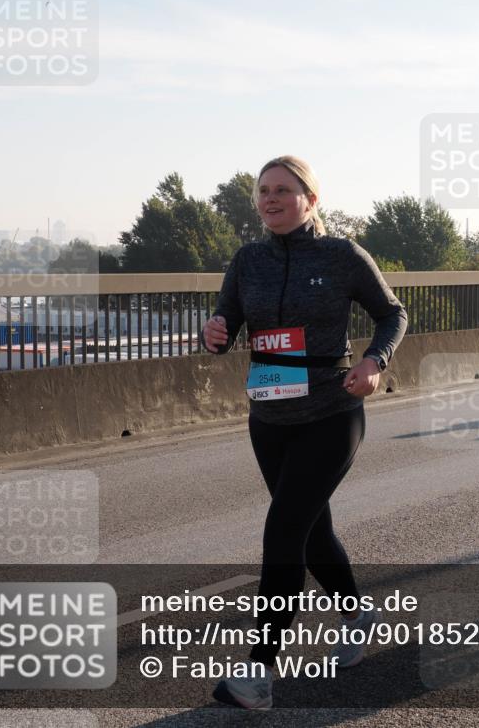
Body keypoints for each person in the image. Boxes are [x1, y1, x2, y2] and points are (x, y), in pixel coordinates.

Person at [201, 155, 408, 709]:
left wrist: (374, 361)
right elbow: (225, 326)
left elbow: (392, 314)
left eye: (283, 190)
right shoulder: (248, 260)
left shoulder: (341, 255)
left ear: (311, 200)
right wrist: (214, 334)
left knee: (283, 531)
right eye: (263, 191)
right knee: (311, 533)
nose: (270, 199)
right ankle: (358, 616)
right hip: (269, 417)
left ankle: (258, 673)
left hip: (331, 412)